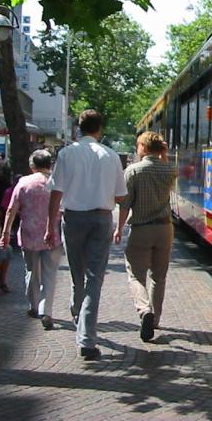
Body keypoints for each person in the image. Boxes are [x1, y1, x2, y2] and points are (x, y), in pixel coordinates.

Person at [47, 109, 126, 361]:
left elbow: (55, 193)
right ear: (99, 129)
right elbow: (121, 195)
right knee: (95, 278)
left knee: (76, 273)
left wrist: (50, 226)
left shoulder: (66, 154)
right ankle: (87, 339)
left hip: (73, 218)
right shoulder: (111, 156)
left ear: (78, 128)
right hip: (102, 218)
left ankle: (77, 314)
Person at [114, 131, 177, 342]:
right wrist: (164, 156)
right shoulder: (169, 169)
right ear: (160, 148)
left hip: (141, 229)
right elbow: (171, 172)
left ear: (143, 147)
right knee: (159, 276)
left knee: (135, 274)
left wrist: (119, 228)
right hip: (165, 229)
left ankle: (144, 310)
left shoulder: (133, 171)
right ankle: (156, 318)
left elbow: (125, 204)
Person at [1, 150, 62, 330]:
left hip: (29, 233)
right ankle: (46, 310)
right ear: (50, 165)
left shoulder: (23, 183)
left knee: (31, 271)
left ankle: (34, 306)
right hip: (52, 234)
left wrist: (5, 233)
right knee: (49, 274)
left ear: (32, 166)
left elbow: (11, 209)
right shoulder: (56, 183)